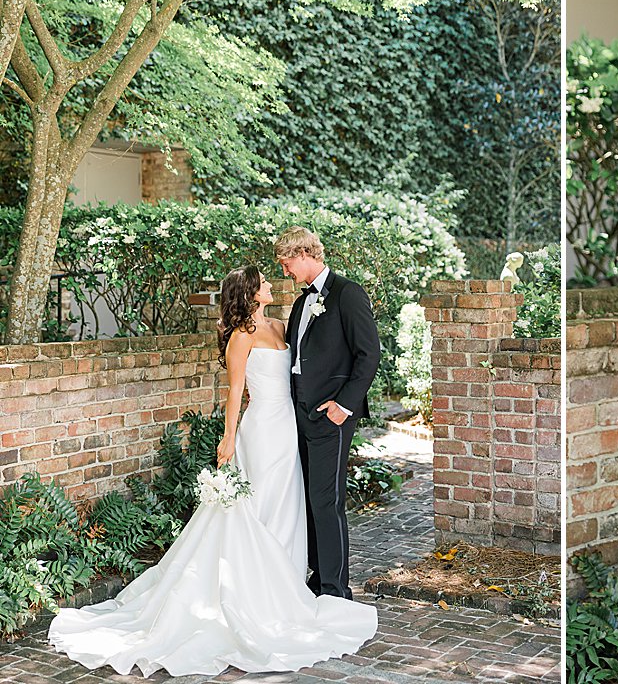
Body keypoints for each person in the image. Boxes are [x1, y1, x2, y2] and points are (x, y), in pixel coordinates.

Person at [49, 266, 380, 677]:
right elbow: (235, 393)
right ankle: (258, 592)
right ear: (250, 292)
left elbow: (312, 365)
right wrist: (228, 438)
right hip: (261, 431)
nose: (272, 285)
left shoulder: (283, 322)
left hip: (290, 428)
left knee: (289, 503)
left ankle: (288, 583)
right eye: (264, 283)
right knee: (259, 505)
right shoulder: (240, 338)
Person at [274, 226, 380, 599]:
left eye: (287, 264)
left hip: (331, 413)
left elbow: (369, 355)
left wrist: (344, 405)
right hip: (298, 411)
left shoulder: (347, 294)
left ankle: (336, 590)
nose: (286, 272)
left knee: (326, 499)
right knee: (307, 497)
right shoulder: (302, 303)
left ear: (304, 254)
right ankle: (318, 580)